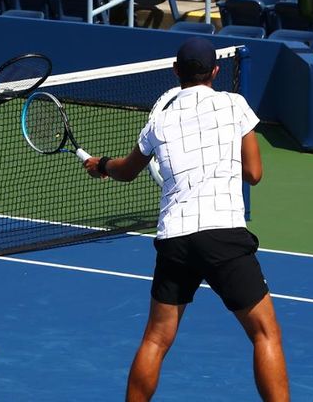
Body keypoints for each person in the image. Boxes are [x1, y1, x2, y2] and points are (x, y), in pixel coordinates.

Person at [84, 37, 289, 401]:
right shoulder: (234, 105)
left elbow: (126, 171)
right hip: (223, 233)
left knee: (155, 339)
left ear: (176, 71)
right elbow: (254, 173)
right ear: (215, 70)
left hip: (175, 238)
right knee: (264, 333)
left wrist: (100, 164)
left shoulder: (158, 124)